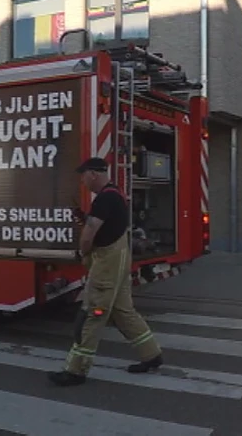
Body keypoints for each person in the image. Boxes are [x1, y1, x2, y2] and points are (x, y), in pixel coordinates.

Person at [48, 157, 163, 387]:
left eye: (83, 176)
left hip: (107, 263)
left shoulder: (105, 199)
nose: (82, 181)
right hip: (119, 258)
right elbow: (103, 226)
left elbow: (90, 235)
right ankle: (151, 354)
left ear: (93, 174)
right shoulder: (115, 194)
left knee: (92, 313)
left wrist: (83, 253)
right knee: (123, 311)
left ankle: (76, 370)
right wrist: (84, 217)